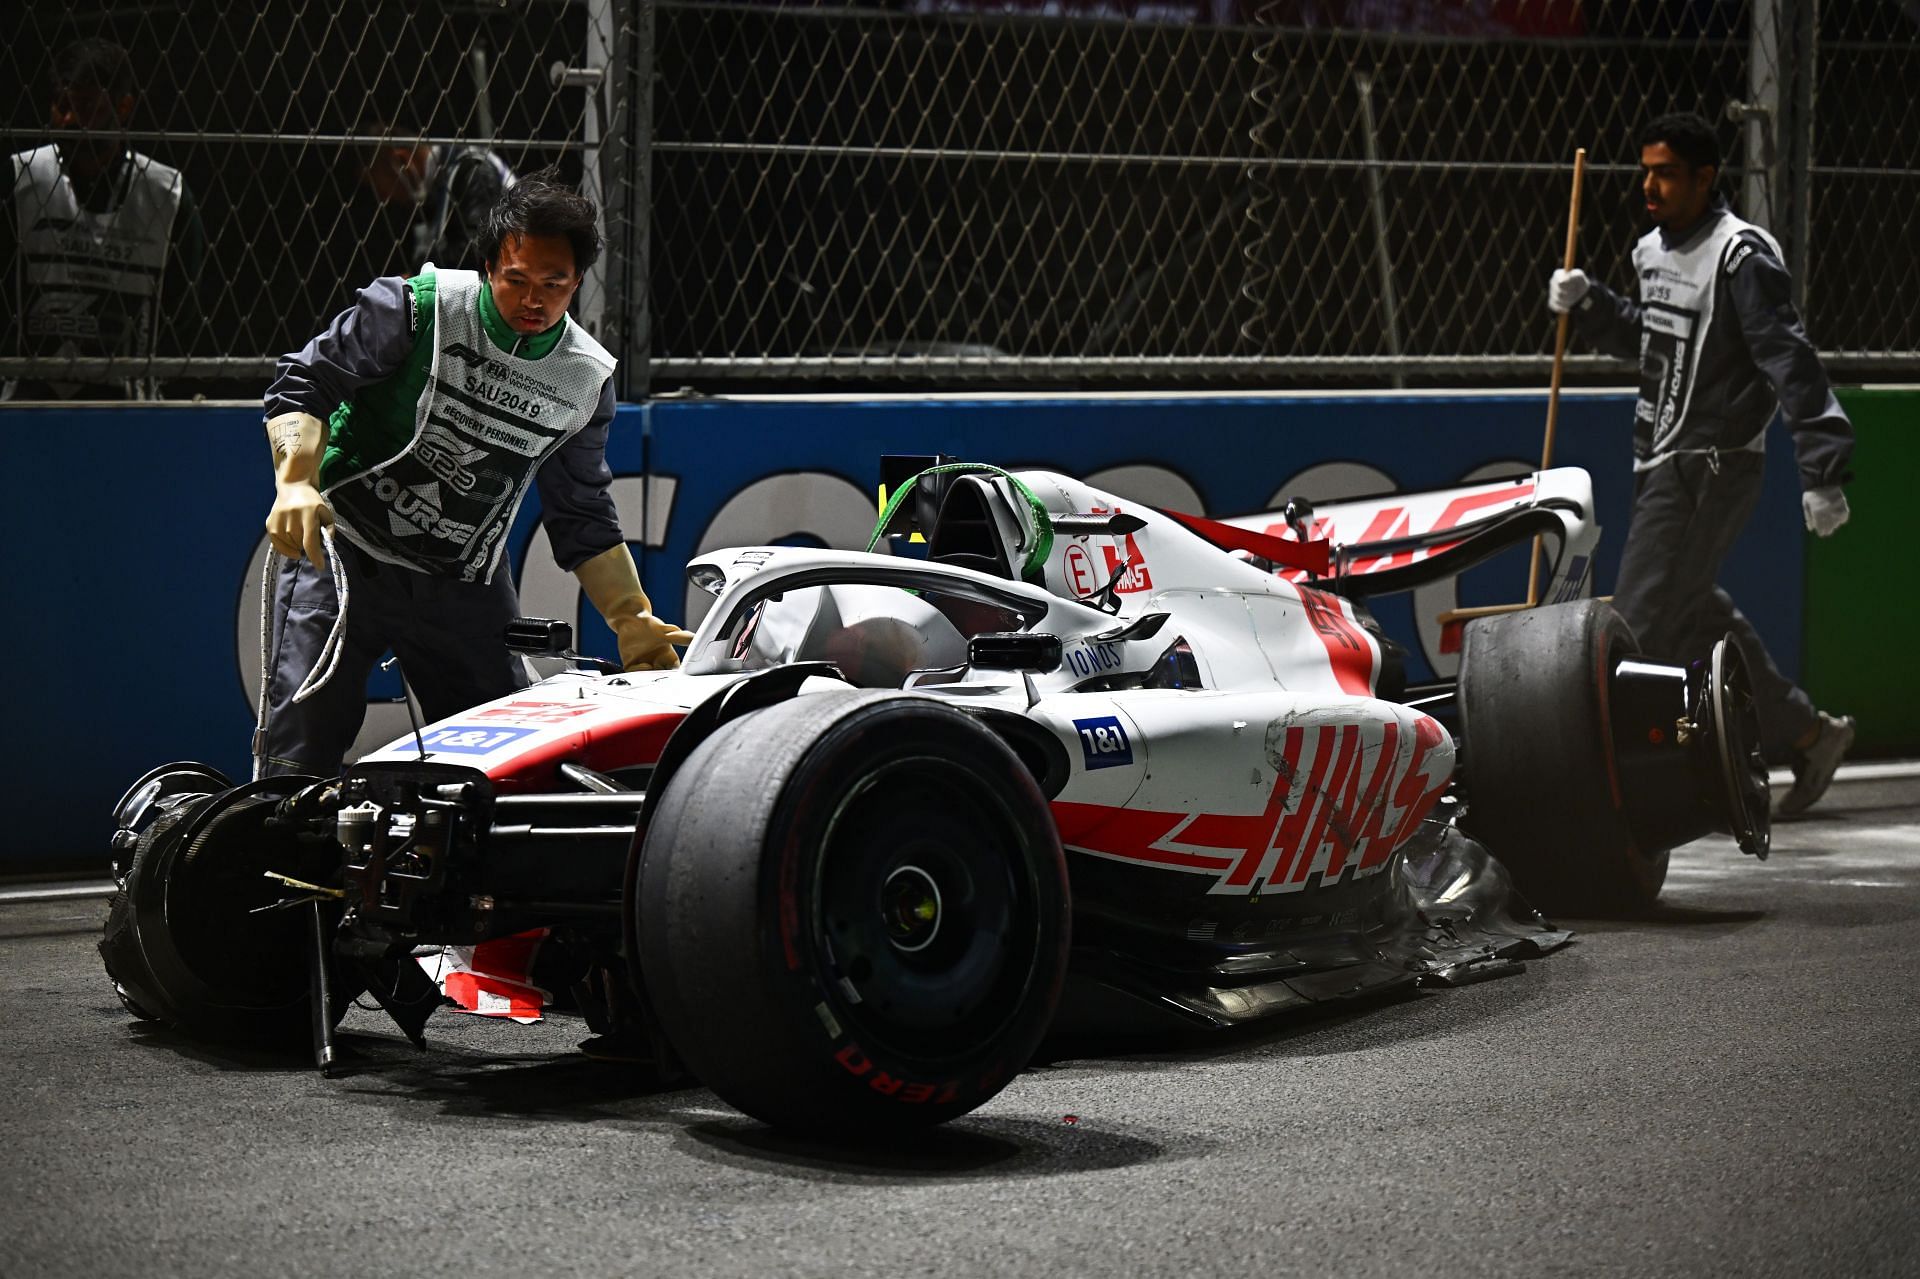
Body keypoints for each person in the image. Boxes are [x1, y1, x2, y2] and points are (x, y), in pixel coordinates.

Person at [257, 168, 691, 777]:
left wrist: (633, 619)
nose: (533, 300)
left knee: (502, 760)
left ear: (577, 283)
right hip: (347, 551)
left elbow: (582, 511)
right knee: (300, 743)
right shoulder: (417, 308)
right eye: (515, 280)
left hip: (461, 579)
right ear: (489, 266)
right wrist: (296, 478)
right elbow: (306, 379)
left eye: (554, 284)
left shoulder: (584, 380)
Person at [1549, 110, 1855, 817]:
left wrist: (1823, 468)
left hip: (1710, 466)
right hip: (1658, 460)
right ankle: (1809, 733)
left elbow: (1790, 359)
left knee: (1639, 626)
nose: (1649, 186)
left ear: (1706, 177)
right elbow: (1651, 339)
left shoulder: (1741, 257)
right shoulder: (1652, 250)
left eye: (1666, 174)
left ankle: (1609, 798)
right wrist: (1592, 304)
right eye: (1645, 171)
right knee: (1694, 617)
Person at [3, 37, 206, 400]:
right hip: (29, 396)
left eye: (84, 107)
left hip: (126, 401)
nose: (67, 120)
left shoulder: (165, 192)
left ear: (123, 107)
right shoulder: (21, 178)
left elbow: (185, 308)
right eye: (61, 105)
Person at [361, 122, 515, 274]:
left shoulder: (473, 169)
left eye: (379, 184)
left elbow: (478, 250)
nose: (383, 196)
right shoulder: (436, 183)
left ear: (402, 162)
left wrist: (417, 276)